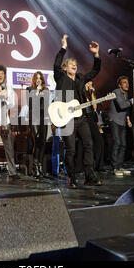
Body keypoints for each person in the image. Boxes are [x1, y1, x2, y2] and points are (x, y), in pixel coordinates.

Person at [53, 34, 102, 188]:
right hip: (67, 119)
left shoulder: (81, 78)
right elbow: (55, 65)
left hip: (82, 118)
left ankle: (89, 176)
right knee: (71, 150)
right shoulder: (60, 77)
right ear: (65, 68)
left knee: (89, 145)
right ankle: (72, 177)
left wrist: (96, 54)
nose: (74, 65)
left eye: (75, 63)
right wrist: (63, 48)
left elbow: (95, 71)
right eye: (71, 64)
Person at [25, 71, 50, 178]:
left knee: (43, 142)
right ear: (34, 80)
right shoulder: (29, 89)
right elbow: (30, 104)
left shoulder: (46, 90)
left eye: (40, 78)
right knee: (37, 141)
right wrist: (37, 93)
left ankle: (39, 165)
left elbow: (46, 104)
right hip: (34, 118)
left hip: (43, 118)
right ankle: (35, 167)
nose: (38, 80)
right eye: (36, 78)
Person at [108, 76, 133, 176]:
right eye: (124, 82)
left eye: (127, 82)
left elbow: (126, 109)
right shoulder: (116, 92)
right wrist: (132, 101)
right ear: (119, 85)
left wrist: (128, 119)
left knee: (123, 144)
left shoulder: (125, 93)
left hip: (122, 121)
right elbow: (122, 105)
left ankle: (119, 165)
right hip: (115, 120)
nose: (127, 84)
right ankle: (114, 167)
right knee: (117, 142)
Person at [84, 80, 105, 177]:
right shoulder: (81, 93)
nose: (89, 86)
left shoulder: (91, 94)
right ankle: (85, 166)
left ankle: (98, 165)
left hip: (92, 119)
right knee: (86, 144)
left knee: (99, 141)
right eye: (88, 83)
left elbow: (95, 107)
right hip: (84, 119)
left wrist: (92, 93)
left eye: (91, 84)